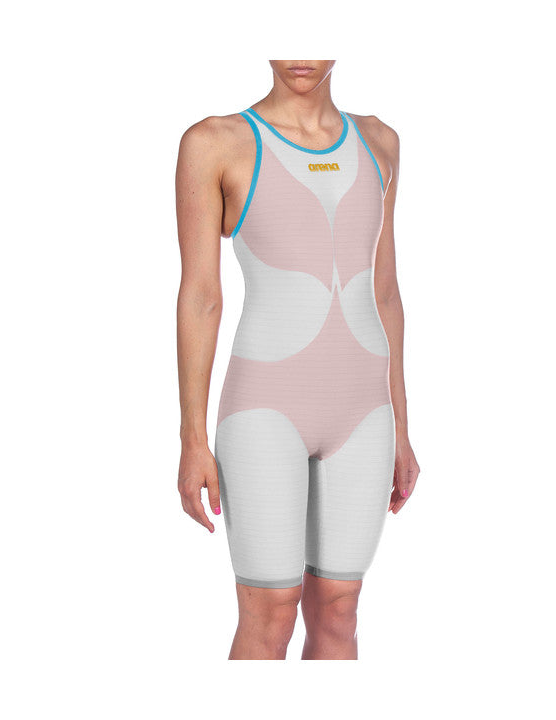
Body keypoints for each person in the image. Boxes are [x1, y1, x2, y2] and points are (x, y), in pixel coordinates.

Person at [176, 60, 420, 660]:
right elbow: (202, 296)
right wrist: (192, 439)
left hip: (364, 413)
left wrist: (402, 429)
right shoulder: (216, 142)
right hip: (264, 409)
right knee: (270, 614)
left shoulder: (380, 142)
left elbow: (385, 292)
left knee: (340, 610)